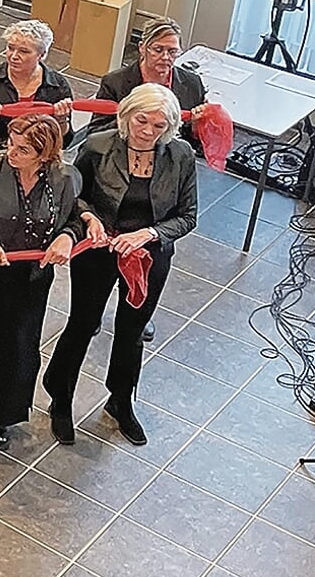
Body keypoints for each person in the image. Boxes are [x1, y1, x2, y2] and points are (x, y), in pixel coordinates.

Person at [43, 83, 199, 447]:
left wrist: (149, 234)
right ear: (126, 115)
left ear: (170, 127)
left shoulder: (181, 156)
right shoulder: (98, 145)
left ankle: (121, 400)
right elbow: (75, 195)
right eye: (141, 121)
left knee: (132, 330)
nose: (147, 131)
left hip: (147, 255)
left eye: (159, 126)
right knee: (83, 323)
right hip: (99, 248)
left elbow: (188, 217)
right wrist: (90, 219)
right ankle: (60, 399)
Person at [0, 115, 80, 450]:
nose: (12, 152)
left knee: (18, 348)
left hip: (30, 278)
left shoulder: (65, 178)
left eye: (23, 149)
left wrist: (67, 236)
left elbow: (78, 216)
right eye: (11, 142)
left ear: (44, 154)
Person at [88, 18, 211, 158]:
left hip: (169, 160)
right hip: (121, 154)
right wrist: (128, 120)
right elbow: (95, 133)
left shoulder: (192, 84)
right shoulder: (115, 82)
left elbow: (199, 146)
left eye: (172, 52)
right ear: (142, 48)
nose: (165, 57)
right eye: (158, 50)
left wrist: (196, 128)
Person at [0, 19, 76, 157]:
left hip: (38, 158)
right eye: (10, 48)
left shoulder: (57, 85)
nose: (14, 56)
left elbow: (65, 142)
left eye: (24, 51)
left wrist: (61, 120)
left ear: (41, 55)